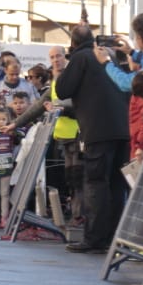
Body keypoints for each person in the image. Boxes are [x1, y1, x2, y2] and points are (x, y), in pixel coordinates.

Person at [56, 24, 130, 253]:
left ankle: (94, 239)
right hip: (122, 129)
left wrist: (61, 69)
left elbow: (62, 90)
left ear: (73, 43)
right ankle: (112, 238)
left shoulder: (81, 58)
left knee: (95, 183)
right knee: (117, 185)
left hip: (98, 131)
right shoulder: (108, 55)